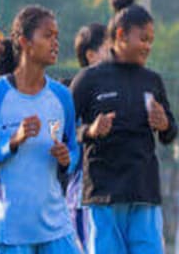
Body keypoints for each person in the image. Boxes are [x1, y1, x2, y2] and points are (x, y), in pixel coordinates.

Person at [0, 7, 81, 254]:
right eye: (47, 36)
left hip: (57, 231)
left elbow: (74, 153)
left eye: (57, 36)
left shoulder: (62, 97)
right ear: (24, 42)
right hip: (10, 234)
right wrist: (11, 143)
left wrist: (67, 159)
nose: (55, 43)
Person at [69, 0, 177, 254]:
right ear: (121, 35)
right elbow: (61, 129)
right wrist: (90, 131)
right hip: (104, 195)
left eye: (151, 41)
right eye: (143, 39)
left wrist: (164, 124)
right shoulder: (89, 79)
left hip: (144, 194)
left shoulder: (152, 81)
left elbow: (170, 134)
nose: (148, 46)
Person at [65, 22, 110, 248]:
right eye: (108, 48)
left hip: (112, 194)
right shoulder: (81, 93)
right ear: (91, 56)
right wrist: (89, 131)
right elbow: (67, 136)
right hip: (86, 195)